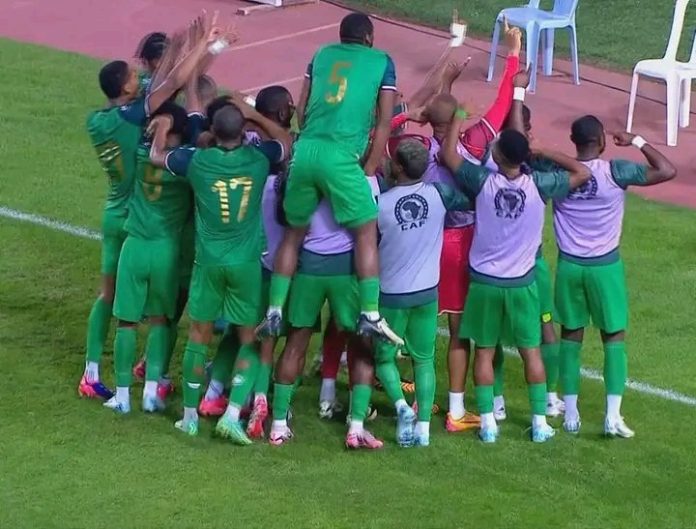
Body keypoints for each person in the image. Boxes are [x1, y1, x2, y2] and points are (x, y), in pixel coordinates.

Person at [385, 23, 523, 433]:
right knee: (459, 331)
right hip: (463, 243)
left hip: (422, 239)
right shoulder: (477, 140)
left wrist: (433, 97)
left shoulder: (415, 149)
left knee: (411, 318)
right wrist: (513, 52)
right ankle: (456, 409)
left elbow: (385, 128)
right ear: (459, 117)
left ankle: (405, 385)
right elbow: (503, 101)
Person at [78, 14, 219, 400]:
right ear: (125, 88)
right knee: (160, 303)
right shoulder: (137, 120)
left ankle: (92, 369)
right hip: (140, 220)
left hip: (115, 211)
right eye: (132, 76)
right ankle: (152, 376)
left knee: (109, 296)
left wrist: (190, 49)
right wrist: (200, 46)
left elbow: (165, 82)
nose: (139, 78)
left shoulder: (101, 120)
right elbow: (173, 83)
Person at [441, 107, 591, 443]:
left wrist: (458, 116)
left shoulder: (482, 182)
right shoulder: (541, 184)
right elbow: (581, 172)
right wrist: (543, 151)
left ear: (496, 154)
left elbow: (449, 154)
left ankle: (490, 424)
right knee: (531, 352)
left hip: (484, 284)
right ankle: (539, 423)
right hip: (523, 284)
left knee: (484, 352)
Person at [257, 12, 402, 345]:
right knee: (365, 230)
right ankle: (370, 314)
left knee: (294, 233)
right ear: (368, 37)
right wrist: (369, 168)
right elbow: (383, 122)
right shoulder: (382, 61)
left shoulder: (321, 54)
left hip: (306, 151)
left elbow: (302, 109)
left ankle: (275, 309)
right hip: (340, 156)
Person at [152, 102, 292, 442]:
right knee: (249, 339)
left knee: (198, 336)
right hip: (245, 265)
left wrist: (161, 125)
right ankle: (231, 415)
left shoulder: (197, 161)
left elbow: (157, 156)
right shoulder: (260, 160)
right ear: (243, 132)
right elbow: (286, 143)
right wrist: (257, 115)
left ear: (213, 132)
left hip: (208, 263)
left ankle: (188, 418)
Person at [555, 116, 676, 437]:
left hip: (569, 267)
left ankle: (570, 415)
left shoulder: (559, 173)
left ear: (573, 139)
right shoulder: (616, 171)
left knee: (570, 337)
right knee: (613, 339)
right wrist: (636, 140)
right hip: (605, 268)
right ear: (602, 141)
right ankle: (612, 417)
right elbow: (666, 170)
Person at [268, 174, 384, 448]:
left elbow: (287, 224)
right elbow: (368, 233)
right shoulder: (354, 179)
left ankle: (278, 426)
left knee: (295, 344)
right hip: (345, 271)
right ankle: (356, 427)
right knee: (361, 344)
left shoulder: (303, 181)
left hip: (308, 269)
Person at [374, 139, 472, 447]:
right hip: (428, 293)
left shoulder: (380, 202)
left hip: (391, 294)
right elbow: (470, 197)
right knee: (424, 359)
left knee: (383, 357)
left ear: (399, 167)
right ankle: (424, 430)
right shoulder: (439, 194)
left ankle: (403, 408)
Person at [103, 102, 193, 414]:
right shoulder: (188, 170)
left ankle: (123, 396)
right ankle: (152, 393)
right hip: (166, 252)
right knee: (160, 322)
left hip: (135, 248)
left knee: (126, 323)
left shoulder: (140, 156)